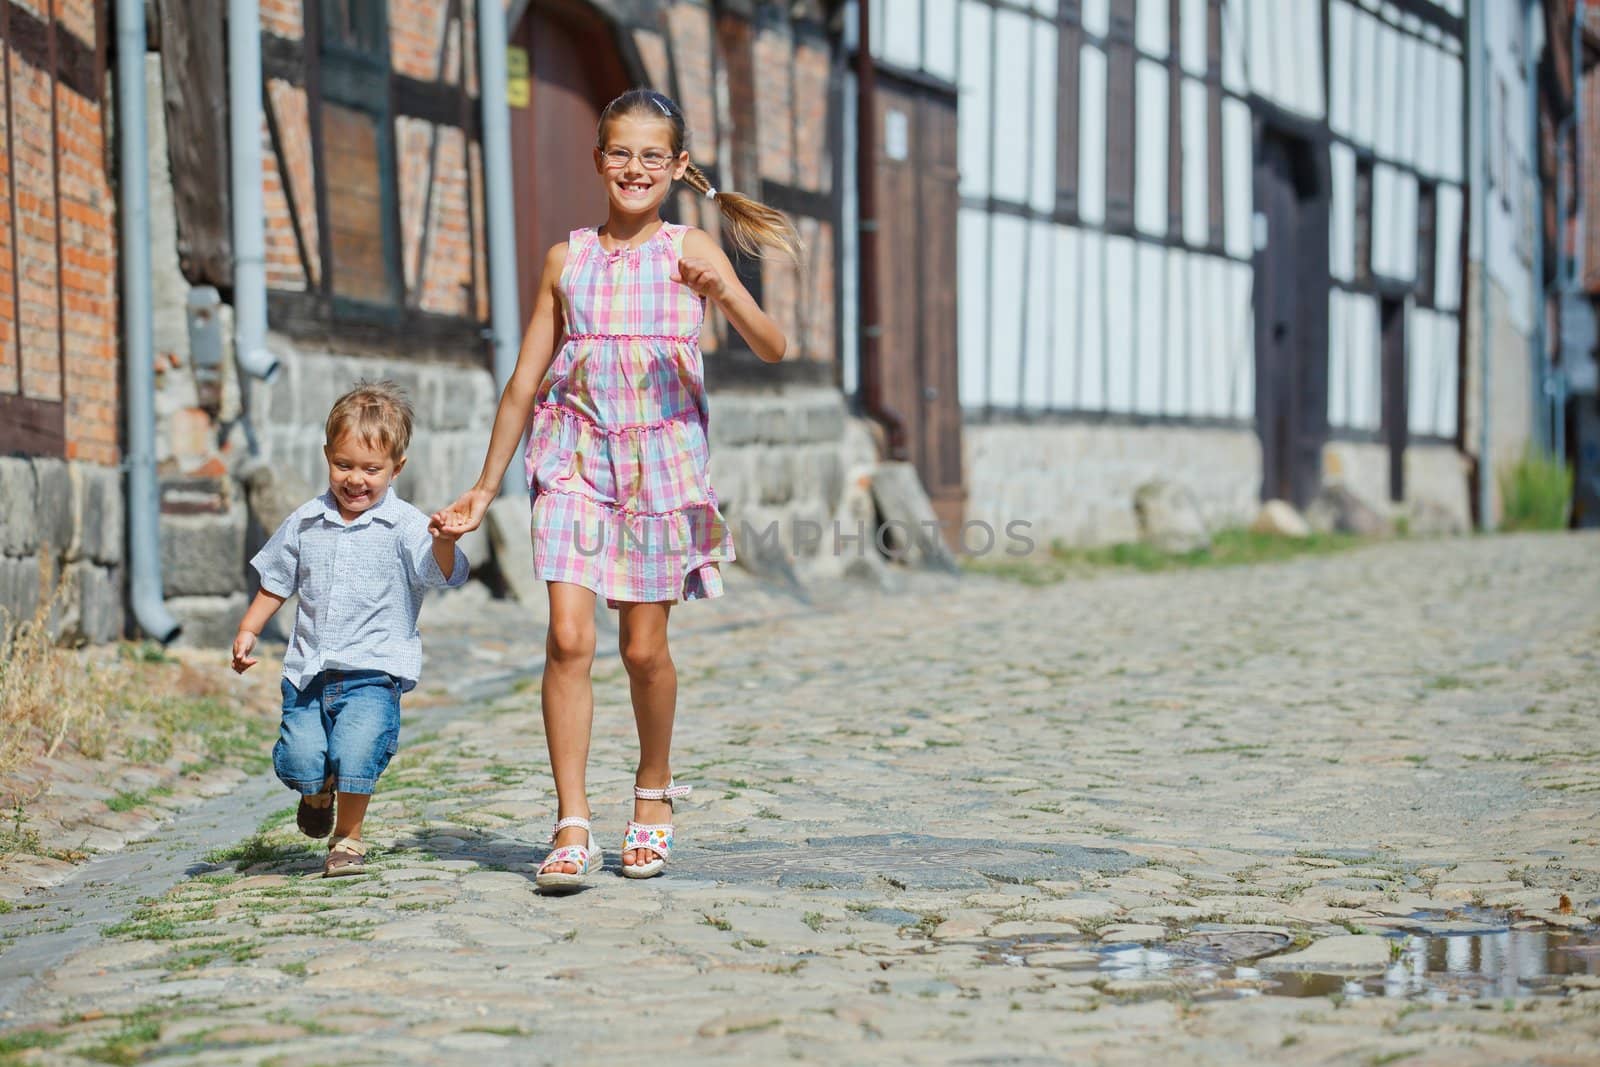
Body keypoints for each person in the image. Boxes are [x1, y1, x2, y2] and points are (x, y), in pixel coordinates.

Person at [433, 88, 797, 892]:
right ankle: (570, 821)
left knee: (643, 649)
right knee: (569, 638)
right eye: (620, 152)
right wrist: (486, 487)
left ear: (676, 167)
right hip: (572, 462)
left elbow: (773, 346)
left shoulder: (688, 249)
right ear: (599, 160)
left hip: (661, 470)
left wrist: (724, 289)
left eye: (651, 155)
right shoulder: (567, 260)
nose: (634, 168)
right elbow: (526, 379)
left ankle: (653, 791)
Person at [233, 381, 469, 877]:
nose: (355, 480)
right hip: (309, 672)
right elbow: (277, 580)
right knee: (301, 760)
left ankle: (348, 840)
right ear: (326, 456)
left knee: (356, 752)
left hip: (374, 672)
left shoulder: (406, 525)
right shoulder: (306, 522)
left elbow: (439, 573)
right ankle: (316, 791)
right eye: (344, 465)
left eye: (371, 469)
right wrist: (250, 628)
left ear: (396, 468)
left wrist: (444, 541)